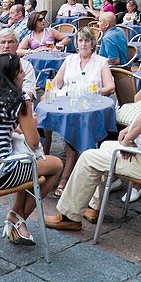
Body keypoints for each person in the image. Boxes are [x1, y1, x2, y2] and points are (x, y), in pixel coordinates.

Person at [45, 48, 141, 231]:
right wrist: (131, 133)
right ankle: (92, 207)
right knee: (104, 147)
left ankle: (68, 216)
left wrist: (128, 141)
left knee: (88, 157)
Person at [0, 53, 63, 246]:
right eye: (21, 70)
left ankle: (15, 215)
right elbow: (34, 143)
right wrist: (30, 121)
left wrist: (20, 125)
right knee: (56, 165)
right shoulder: (17, 101)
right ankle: (18, 217)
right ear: (12, 75)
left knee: (27, 162)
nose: (24, 74)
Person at [52, 28, 116, 193]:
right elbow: (56, 83)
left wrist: (92, 93)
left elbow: (110, 87)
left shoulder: (101, 62)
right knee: (42, 123)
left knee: (77, 127)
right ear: (76, 43)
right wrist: (49, 95)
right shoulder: (70, 60)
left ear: (93, 43)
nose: (83, 44)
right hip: (68, 105)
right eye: (80, 41)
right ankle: (55, 170)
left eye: (87, 40)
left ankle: (67, 177)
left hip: (92, 109)